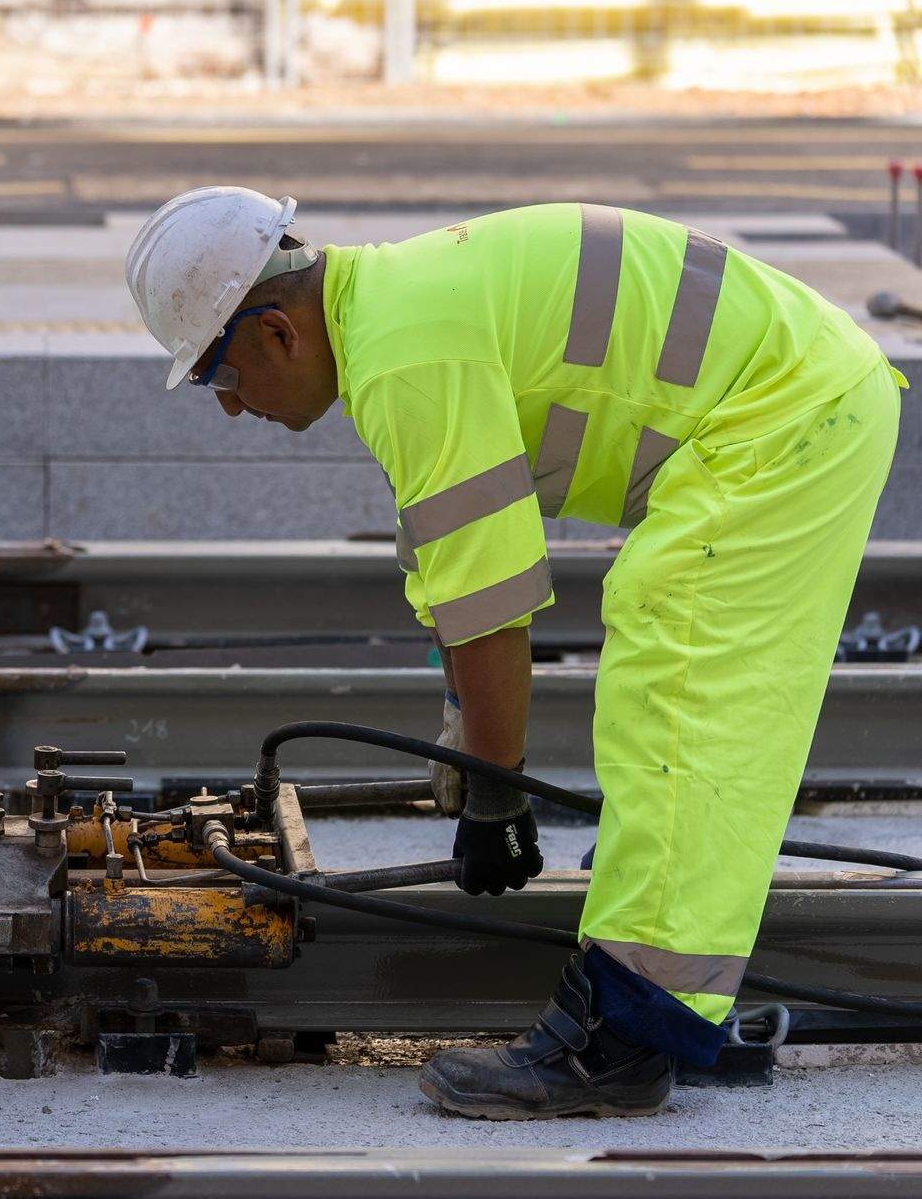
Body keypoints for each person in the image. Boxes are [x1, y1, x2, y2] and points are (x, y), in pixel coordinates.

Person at [126, 189, 905, 1118]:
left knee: (684, 688)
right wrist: (469, 733)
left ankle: (622, 1042)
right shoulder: (393, 309)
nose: (229, 407)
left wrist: (494, 794)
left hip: (783, 420)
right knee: (685, 676)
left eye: (218, 374)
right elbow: (452, 565)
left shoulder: (405, 359)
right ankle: (644, 1012)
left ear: (277, 335)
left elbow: (491, 607)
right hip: (798, 398)